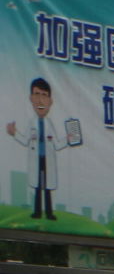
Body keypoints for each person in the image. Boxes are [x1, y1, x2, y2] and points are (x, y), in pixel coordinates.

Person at [8, 76, 64, 219]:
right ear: (31, 98)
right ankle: (38, 212)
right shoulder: (32, 122)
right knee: (38, 187)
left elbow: (57, 144)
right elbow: (26, 140)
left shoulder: (49, 123)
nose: (40, 100)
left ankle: (50, 212)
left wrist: (68, 140)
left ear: (50, 101)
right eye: (37, 94)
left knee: (47, 187)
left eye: (44, 95)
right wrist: (15, 133)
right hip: (36, 159)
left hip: (47, 159)